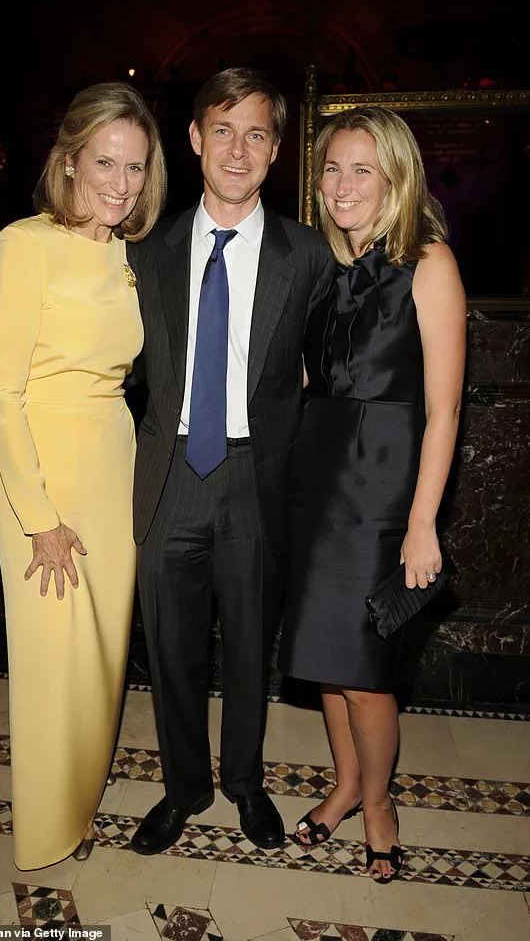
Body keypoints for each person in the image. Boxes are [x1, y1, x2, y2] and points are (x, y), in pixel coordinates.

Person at [127, 68, 335, 855]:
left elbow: (330, 364)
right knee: (171, 650)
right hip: (170, 473)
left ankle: (245, 782)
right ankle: (184, 787)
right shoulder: (146, 251)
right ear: (194, 139)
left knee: (250, 646)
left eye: (256, 134)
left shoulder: (307, 255)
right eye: (223, 130)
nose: (238, 150)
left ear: (277, 149)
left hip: (255, 474)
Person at [0, 82, 166, 870]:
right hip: (39, 469)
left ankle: (81, 799)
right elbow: (1, 394)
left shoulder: (133, 256)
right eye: (105, 163)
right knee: (52, 655)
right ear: (69, 161)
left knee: (100, 654)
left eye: (135, 166)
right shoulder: (24, 245)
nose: (120, 183)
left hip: (113, 464)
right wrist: (39, 517)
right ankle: (49, 825)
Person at [278, 106, 466, 882]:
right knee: (325, 658)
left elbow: (445, 408)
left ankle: (380, 802)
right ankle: (346, 783)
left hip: (383, 492)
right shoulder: (324, 266)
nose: (342, 184)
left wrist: (422, 522)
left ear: (396, 178)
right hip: (315, 479)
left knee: (363, 671)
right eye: (332, 168)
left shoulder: (429, 262)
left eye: (362, 169)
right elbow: (304, 378)